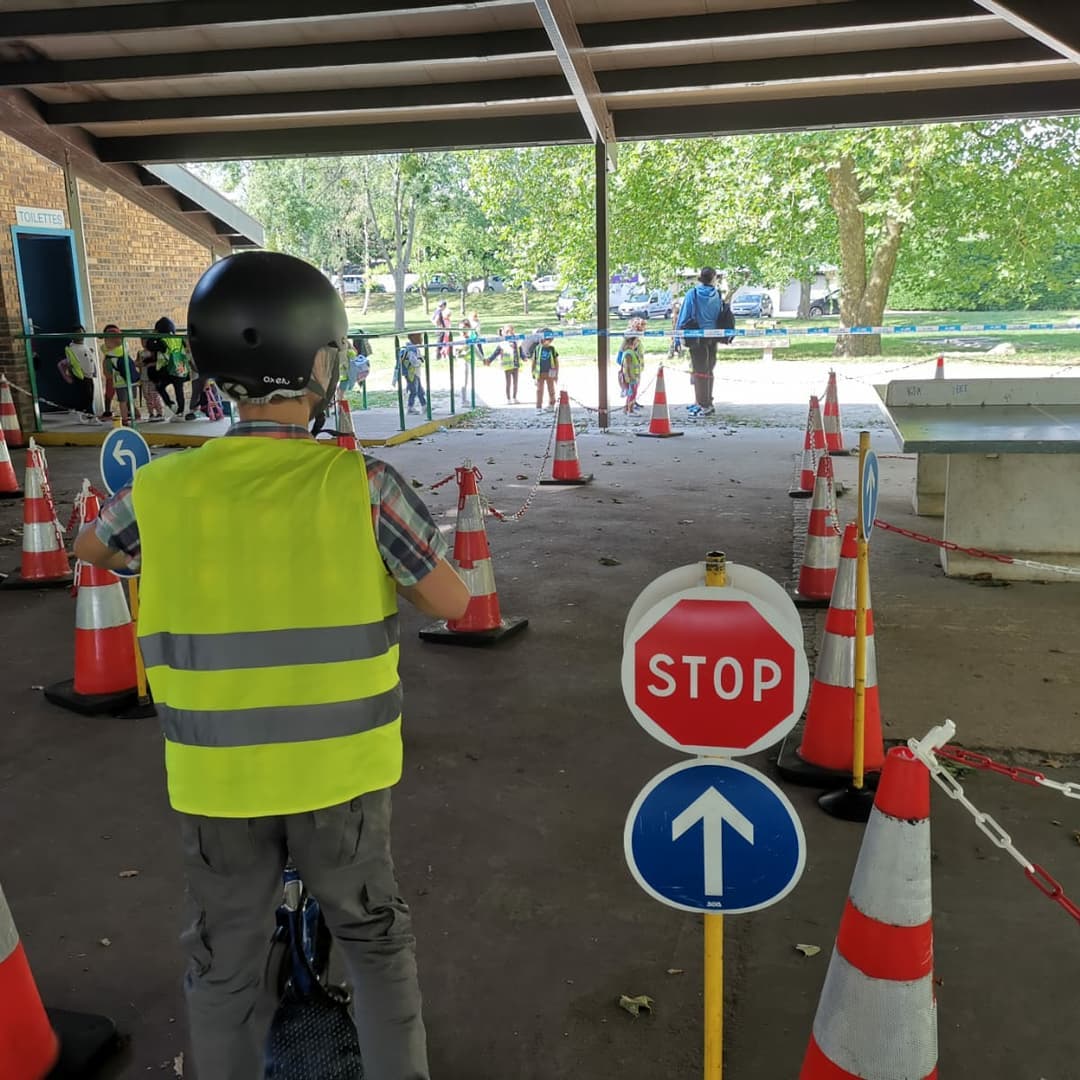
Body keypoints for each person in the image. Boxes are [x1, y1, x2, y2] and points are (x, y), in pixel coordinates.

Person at [73, 251, 469, 1080]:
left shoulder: (162, 489)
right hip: (342, 781)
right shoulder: (363, 486)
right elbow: (452, 603)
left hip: (217, 784)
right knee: (374, 939)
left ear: (213, 370)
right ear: (322, 364)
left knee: (222, 962)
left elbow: (92, 546)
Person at [676, 267, 735, 417]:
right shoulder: (717, 294)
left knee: (699, 370)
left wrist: (677, 338)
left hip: (696, 338)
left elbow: (684, 317)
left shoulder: (693, 294)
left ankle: (703, 405)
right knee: (709, 369)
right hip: (713, 336)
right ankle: (706, 401)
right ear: (713, 278)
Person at [147, 317, 193, 419]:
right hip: (181, 369)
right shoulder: (178, 339)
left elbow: (149, 345)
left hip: (168, 371)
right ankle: (180, 412)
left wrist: (153, 335)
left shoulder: (163, 341)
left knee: (160, 386)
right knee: (179, 390)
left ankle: (171, 404)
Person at [101, 325, 141, 425]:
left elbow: (108, 374)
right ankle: (134, 417)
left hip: (119, 383)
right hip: (132, 381)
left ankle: (125, 420)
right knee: (131, 400)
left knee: (122, 402)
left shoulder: (109, 356)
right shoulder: (125, 350)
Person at [60, 326, 99, 423]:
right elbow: (69, 363)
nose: (80, 336)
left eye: (82, 333)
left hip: (89, 375)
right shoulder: (72, 348)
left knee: (90, 396)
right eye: (77, 334)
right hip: (81, 375)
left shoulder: (85, 346)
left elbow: (90, 360)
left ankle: (87, 414)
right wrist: (69, 375)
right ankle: (87, 415)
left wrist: (94, 371)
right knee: (86, 396)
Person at [489, 324, 522, 404]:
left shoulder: (516, 341)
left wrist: (524, 357)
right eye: (507, 332)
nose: (510, 333)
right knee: (508, 383)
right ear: (504, 333)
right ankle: (508, 398)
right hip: (507, 366)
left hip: (516, 365)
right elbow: (495, 353)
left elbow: (520, 350)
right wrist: (489, 360)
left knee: (515, 382)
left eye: (511, 331)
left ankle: (514, 397)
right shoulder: (502, 343)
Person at [397, 331, 427, 415]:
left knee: (419, 390)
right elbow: (413, 361)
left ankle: (424, 405)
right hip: (411, 373)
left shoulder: (413, 348)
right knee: (413, 390)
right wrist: (420, 361)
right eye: (419, 337)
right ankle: (410, 407)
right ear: (414, 338)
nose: (421, 339)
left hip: (414, 373)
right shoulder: (411, 349)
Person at [532, 327, 559, 413]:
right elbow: (534, 361)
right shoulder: (537, 349)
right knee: (539, 390)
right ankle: (538, 407)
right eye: (546, 340)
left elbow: (556, 362)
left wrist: (556, 374)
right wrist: (533, 374)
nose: (548, 342)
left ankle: (551, 405)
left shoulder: (552, 349)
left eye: (550, 340)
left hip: (550, 373)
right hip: (540, 373)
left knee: (551, 389)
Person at [620, 326, 645, 415]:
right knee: (632, 394)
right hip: (632, 378)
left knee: (631, 394)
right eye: (637, 340)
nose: (638, 342)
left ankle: (627, 409)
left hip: (634, 377)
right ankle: (630, 410)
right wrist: (631, 378)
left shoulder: (631, 352)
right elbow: (627, 367)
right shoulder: (629, 354)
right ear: (632, 341)